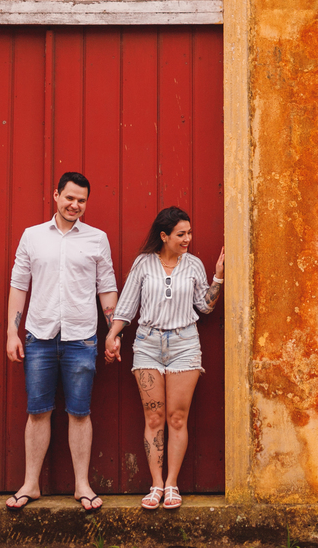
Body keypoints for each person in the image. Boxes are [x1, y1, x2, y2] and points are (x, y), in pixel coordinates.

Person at [4, 171, 118, 512]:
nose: (75, 205)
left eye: (81, 200)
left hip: (81, 339)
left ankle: (82, 485)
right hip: (39, 336)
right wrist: (12, 331)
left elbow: (106, 286)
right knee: (38, 411)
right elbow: (19, 284)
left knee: (80, 413)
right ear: (56, 195)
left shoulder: (97, 238)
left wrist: (112, 331)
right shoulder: (32, 236)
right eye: (69, 197)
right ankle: (31, 484)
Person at [103, 206, 224, 511]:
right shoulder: (144, 264)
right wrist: (112, 335)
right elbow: (127, 306)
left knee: (177, 418)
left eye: (189, 233)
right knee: (154, 418)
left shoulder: (193, 264)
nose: (187, 239)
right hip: (147, 344)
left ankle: (172, 483)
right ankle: (156, 483)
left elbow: (204, 307)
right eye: (181, 234)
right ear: (164, 235)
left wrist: (218, 278)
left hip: (185, 344)